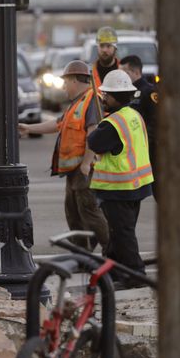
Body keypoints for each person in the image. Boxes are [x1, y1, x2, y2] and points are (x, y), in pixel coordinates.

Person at [18, 60, 109, 251]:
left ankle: (114, 252)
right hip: (73, 171)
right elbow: (57, 124)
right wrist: (29, 128)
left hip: (84, 170)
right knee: (74, 213)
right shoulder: (77, 103)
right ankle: (83, 254)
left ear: (75, 80)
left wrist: (86, 163)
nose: (64, 87)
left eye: (65, 82)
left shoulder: (92, 100)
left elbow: (93, 132)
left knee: (90, 213)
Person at [87, 69, 154, 283]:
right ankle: (114, 272)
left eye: (106, 95)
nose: (104, 98)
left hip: (119, 189)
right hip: (137, 186)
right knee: (118, 234)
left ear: (116, 97)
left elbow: (94, 142)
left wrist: (100, 125)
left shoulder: (112, 123)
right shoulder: (134, 115)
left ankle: (136, 275)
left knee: (123, 235)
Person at [119, 54, 159, 199]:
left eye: (125, 72)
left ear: (136, 72)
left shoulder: (149, 92)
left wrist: (142, 138)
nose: (121, 76)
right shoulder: (125, 93)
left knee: (160, 191)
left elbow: (157, 122)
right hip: (133, 151)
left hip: (151, 150)